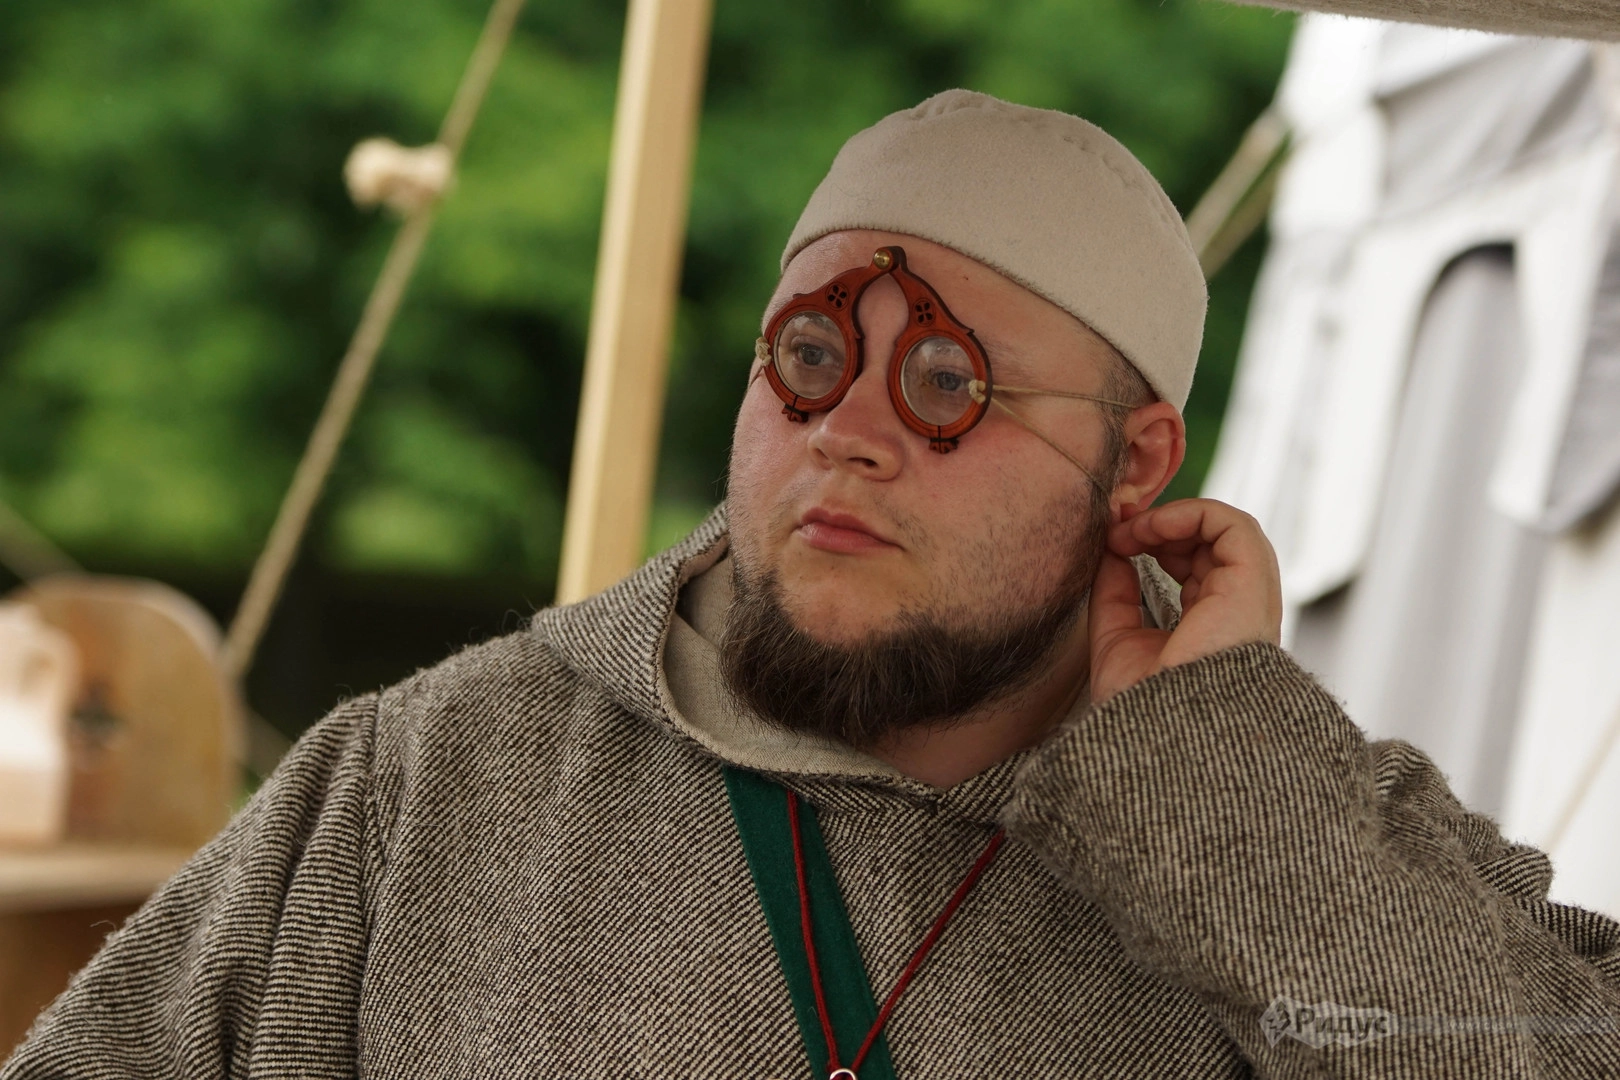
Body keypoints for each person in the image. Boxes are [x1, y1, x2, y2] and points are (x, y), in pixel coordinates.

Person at [5, 89, 1618, 1080]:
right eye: (810, 357)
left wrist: (1220, 788)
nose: (847, 431)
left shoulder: (1303, 832)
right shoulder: (429, 784)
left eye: (945, 382)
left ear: (1135, 465)